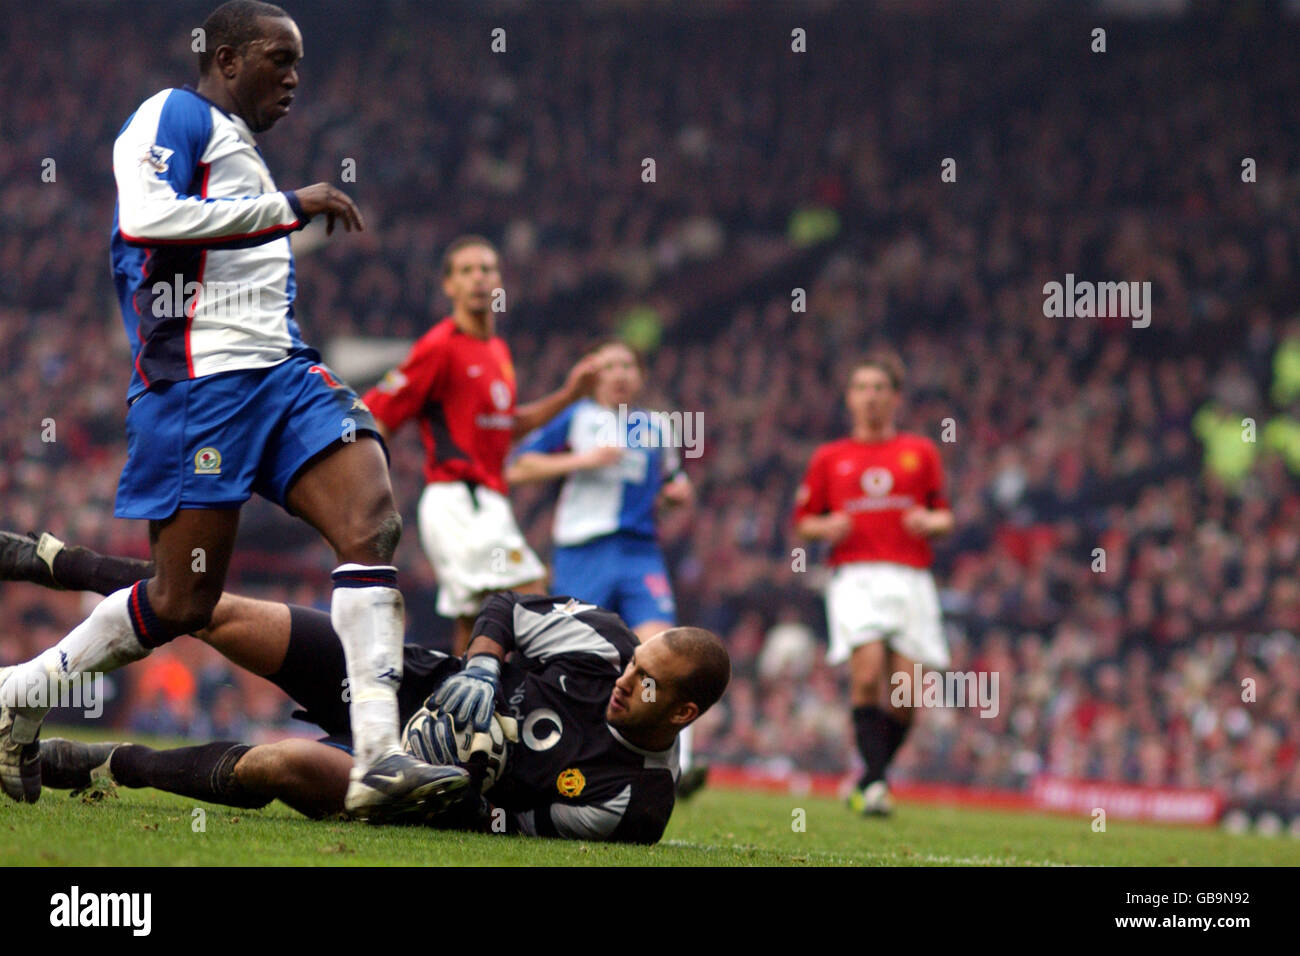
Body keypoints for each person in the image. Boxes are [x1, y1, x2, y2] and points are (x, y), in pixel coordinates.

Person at [0, 0, 466, 818]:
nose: (292, 79)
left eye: (297, 65)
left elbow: (231, 250)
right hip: (199, 389)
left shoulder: (238, 152)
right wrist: (291, 206)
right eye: (277, 60)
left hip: (282, 374)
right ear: (224, 58)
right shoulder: (170, 115)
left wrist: (292, 226)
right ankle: (22, 692)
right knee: (183, 602)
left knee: (373, 521)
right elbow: (147, 220)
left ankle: (380, 755)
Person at [1, 533, 730, 844]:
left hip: (415, 783)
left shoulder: (634, 801)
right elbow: (506, 606)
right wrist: (480, 664)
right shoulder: (607, 643)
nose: (626, 677)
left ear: (683, 712)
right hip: (404, 680)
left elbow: (511, 833)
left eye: (647, 683)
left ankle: (95, 762)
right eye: (635, 664)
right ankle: (60, 561)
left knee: (281, 763)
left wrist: (458, 778)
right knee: (214, 608)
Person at [362, 236, 600, 655]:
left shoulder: (496, 351)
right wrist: (368, 492)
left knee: (474, 622)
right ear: (448, 285)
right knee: (529, 594)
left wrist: (568, 395)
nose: (478, 278)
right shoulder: (439, 347)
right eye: (467, 270)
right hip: (457, 502)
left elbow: (508, 426)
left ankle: (458, 715)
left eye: (487, 269)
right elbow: (377, 412)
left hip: (489, 502)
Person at [507, 339, 707, 793]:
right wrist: (582, 460)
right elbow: (518, 467)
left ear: (639, 376)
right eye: (610, 365)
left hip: (640, 553)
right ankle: (558, 752)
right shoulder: (576, 418)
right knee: (576, 656)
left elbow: (672, 479)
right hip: (584, 551)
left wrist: (679, 494)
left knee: (665, 650)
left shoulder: (656, 427)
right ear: (595, 375)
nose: (619, 373)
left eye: (627, 366)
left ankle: (682, 765)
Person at [792, 352, 954, 815]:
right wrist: (826, 529)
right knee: (865, 675)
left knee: (904, 694)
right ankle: (878, 785)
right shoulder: (830, 458)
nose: (870, 397)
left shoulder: (920, 452)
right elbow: (803, 522)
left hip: (910, 578)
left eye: (879, 388)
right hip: (855, 577)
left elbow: (946, 514)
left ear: (896, 397)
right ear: (849, 398)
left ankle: (867, 777)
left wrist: (931, 520)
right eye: (861, 387)